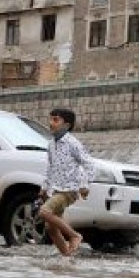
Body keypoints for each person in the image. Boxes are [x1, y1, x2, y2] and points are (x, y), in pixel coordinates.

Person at [38, 107, 95, 256]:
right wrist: (44, 187)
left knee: (44, 212)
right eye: (50, 119)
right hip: (56, 190)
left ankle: (75, 236)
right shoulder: (51, 144)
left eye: (55, 120)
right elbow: (50, 167)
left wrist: (84, 185)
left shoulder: (72, 143)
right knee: (51, 228)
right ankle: (67, 258)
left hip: (69, 190)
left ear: (67, 125)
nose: (51, 123)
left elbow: (88, 163)